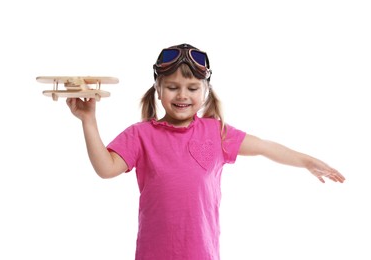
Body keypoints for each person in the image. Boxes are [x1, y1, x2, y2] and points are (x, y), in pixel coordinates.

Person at [66, 43, 345, 260]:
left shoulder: (217, 133)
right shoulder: (141, 135)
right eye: (173, 87)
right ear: (158, 90)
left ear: (206, 90)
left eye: (192, 88)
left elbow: (264, 147)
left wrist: (307, 161)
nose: (182, 95)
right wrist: (88, 120)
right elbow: (105, 168)